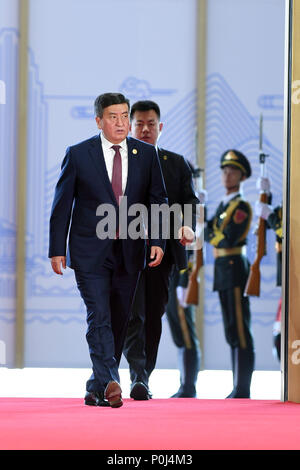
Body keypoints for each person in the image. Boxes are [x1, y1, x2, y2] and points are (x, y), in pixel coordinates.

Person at [48, 93, 168, 408]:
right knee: (98, 314)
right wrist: (56, 248)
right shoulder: (78, 154)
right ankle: (110, 380)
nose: (121, 123)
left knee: (118, 317)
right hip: (89, 250)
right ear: (99, 120)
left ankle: (96, 385)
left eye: (124, 116)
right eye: (113, 117)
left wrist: (157, 240)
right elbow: (62, 206)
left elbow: (158, 200)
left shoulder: (146, 154)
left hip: (130, 249)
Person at [123, 100, 200, 400]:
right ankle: (137, 376)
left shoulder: (176, 163)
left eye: (150, 124)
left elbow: (190, 202)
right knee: (134, 314)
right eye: (139, 123)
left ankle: (145, 374)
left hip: (164, 252)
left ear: (160, 127)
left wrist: (188, 226)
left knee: (153, 314)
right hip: (127, 251)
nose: (144, 129)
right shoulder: (119, 161)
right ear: (130, 126)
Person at [204, 150, 255, 398]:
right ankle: (237, 386)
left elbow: (228, 238)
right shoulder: (225, 205)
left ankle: (243, 387)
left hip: (235, 267)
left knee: (240, 327)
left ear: (242, 176)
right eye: (224, 171)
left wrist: (211, 233)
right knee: (230, 328)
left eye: (232, 171)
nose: (227, 175)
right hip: (223, 270)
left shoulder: (241, 206)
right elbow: (207, 233)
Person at [255, 177, 282, 360]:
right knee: (279, 336)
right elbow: (281, 216)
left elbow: (289, 232)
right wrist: (267, 196)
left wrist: (269, 215)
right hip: (288, 278)